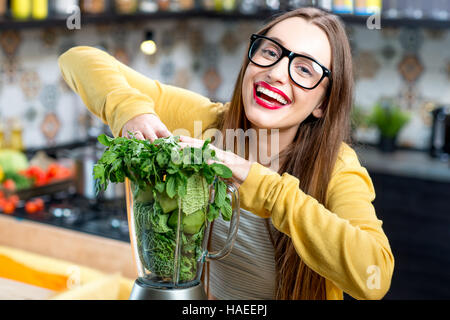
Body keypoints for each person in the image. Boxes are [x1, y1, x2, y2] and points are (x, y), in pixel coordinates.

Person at [58, 7, 394, 300]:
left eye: (304, 69)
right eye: (270, 52)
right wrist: (130, 111)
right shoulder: (208, 122)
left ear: (323, 103)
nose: (276, 73)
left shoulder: (337, 167)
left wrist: (258, 183)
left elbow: (373, 276)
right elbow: (78, 59)